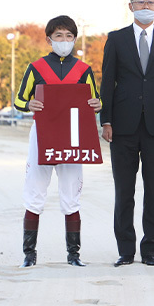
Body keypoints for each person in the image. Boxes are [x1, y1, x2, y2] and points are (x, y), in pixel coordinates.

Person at [100, 0, 154, 267]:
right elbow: (107, 82)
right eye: (140, 1)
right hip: (122, 125)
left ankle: (150, 250)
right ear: (131, 6)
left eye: (151, 2)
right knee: (124, 190)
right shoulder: (116, 39)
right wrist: (106, 120)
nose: (146, 6)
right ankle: (126, 250)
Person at [14, 15, 101, 268]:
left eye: (69, 36)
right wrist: (29, 104)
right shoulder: (36, 67)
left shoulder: (83, 69)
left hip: (74, 138)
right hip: (42, 136)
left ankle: (74, 255)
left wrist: (98, 105)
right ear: (49, 39)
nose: (64, 40)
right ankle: (29, 255)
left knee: (71, 194)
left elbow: (95, 101)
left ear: (74, 39)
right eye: (59, 36)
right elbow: (20, 99)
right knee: (35, 192)